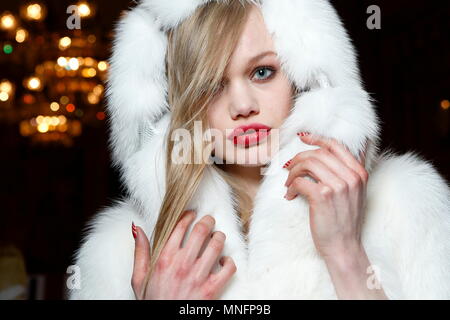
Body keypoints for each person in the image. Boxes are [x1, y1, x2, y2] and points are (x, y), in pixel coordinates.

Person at [68, 0, 450, 300]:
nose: (242, 104)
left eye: (262, 72)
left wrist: (347, 253)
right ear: (180, 107)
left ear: (302, 81)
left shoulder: (406, 202)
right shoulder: (120, 251)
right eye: (210, 85)